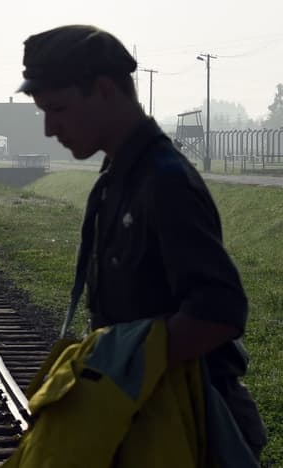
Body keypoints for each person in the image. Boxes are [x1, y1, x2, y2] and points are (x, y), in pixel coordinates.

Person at [16, 25, 267, 459]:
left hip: (182, 427)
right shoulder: (118, 179)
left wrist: (120, 369)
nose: (49, 128)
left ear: (105, 89)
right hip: (139, 418)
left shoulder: (164, 183)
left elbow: (220, 311)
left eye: (58, 108)